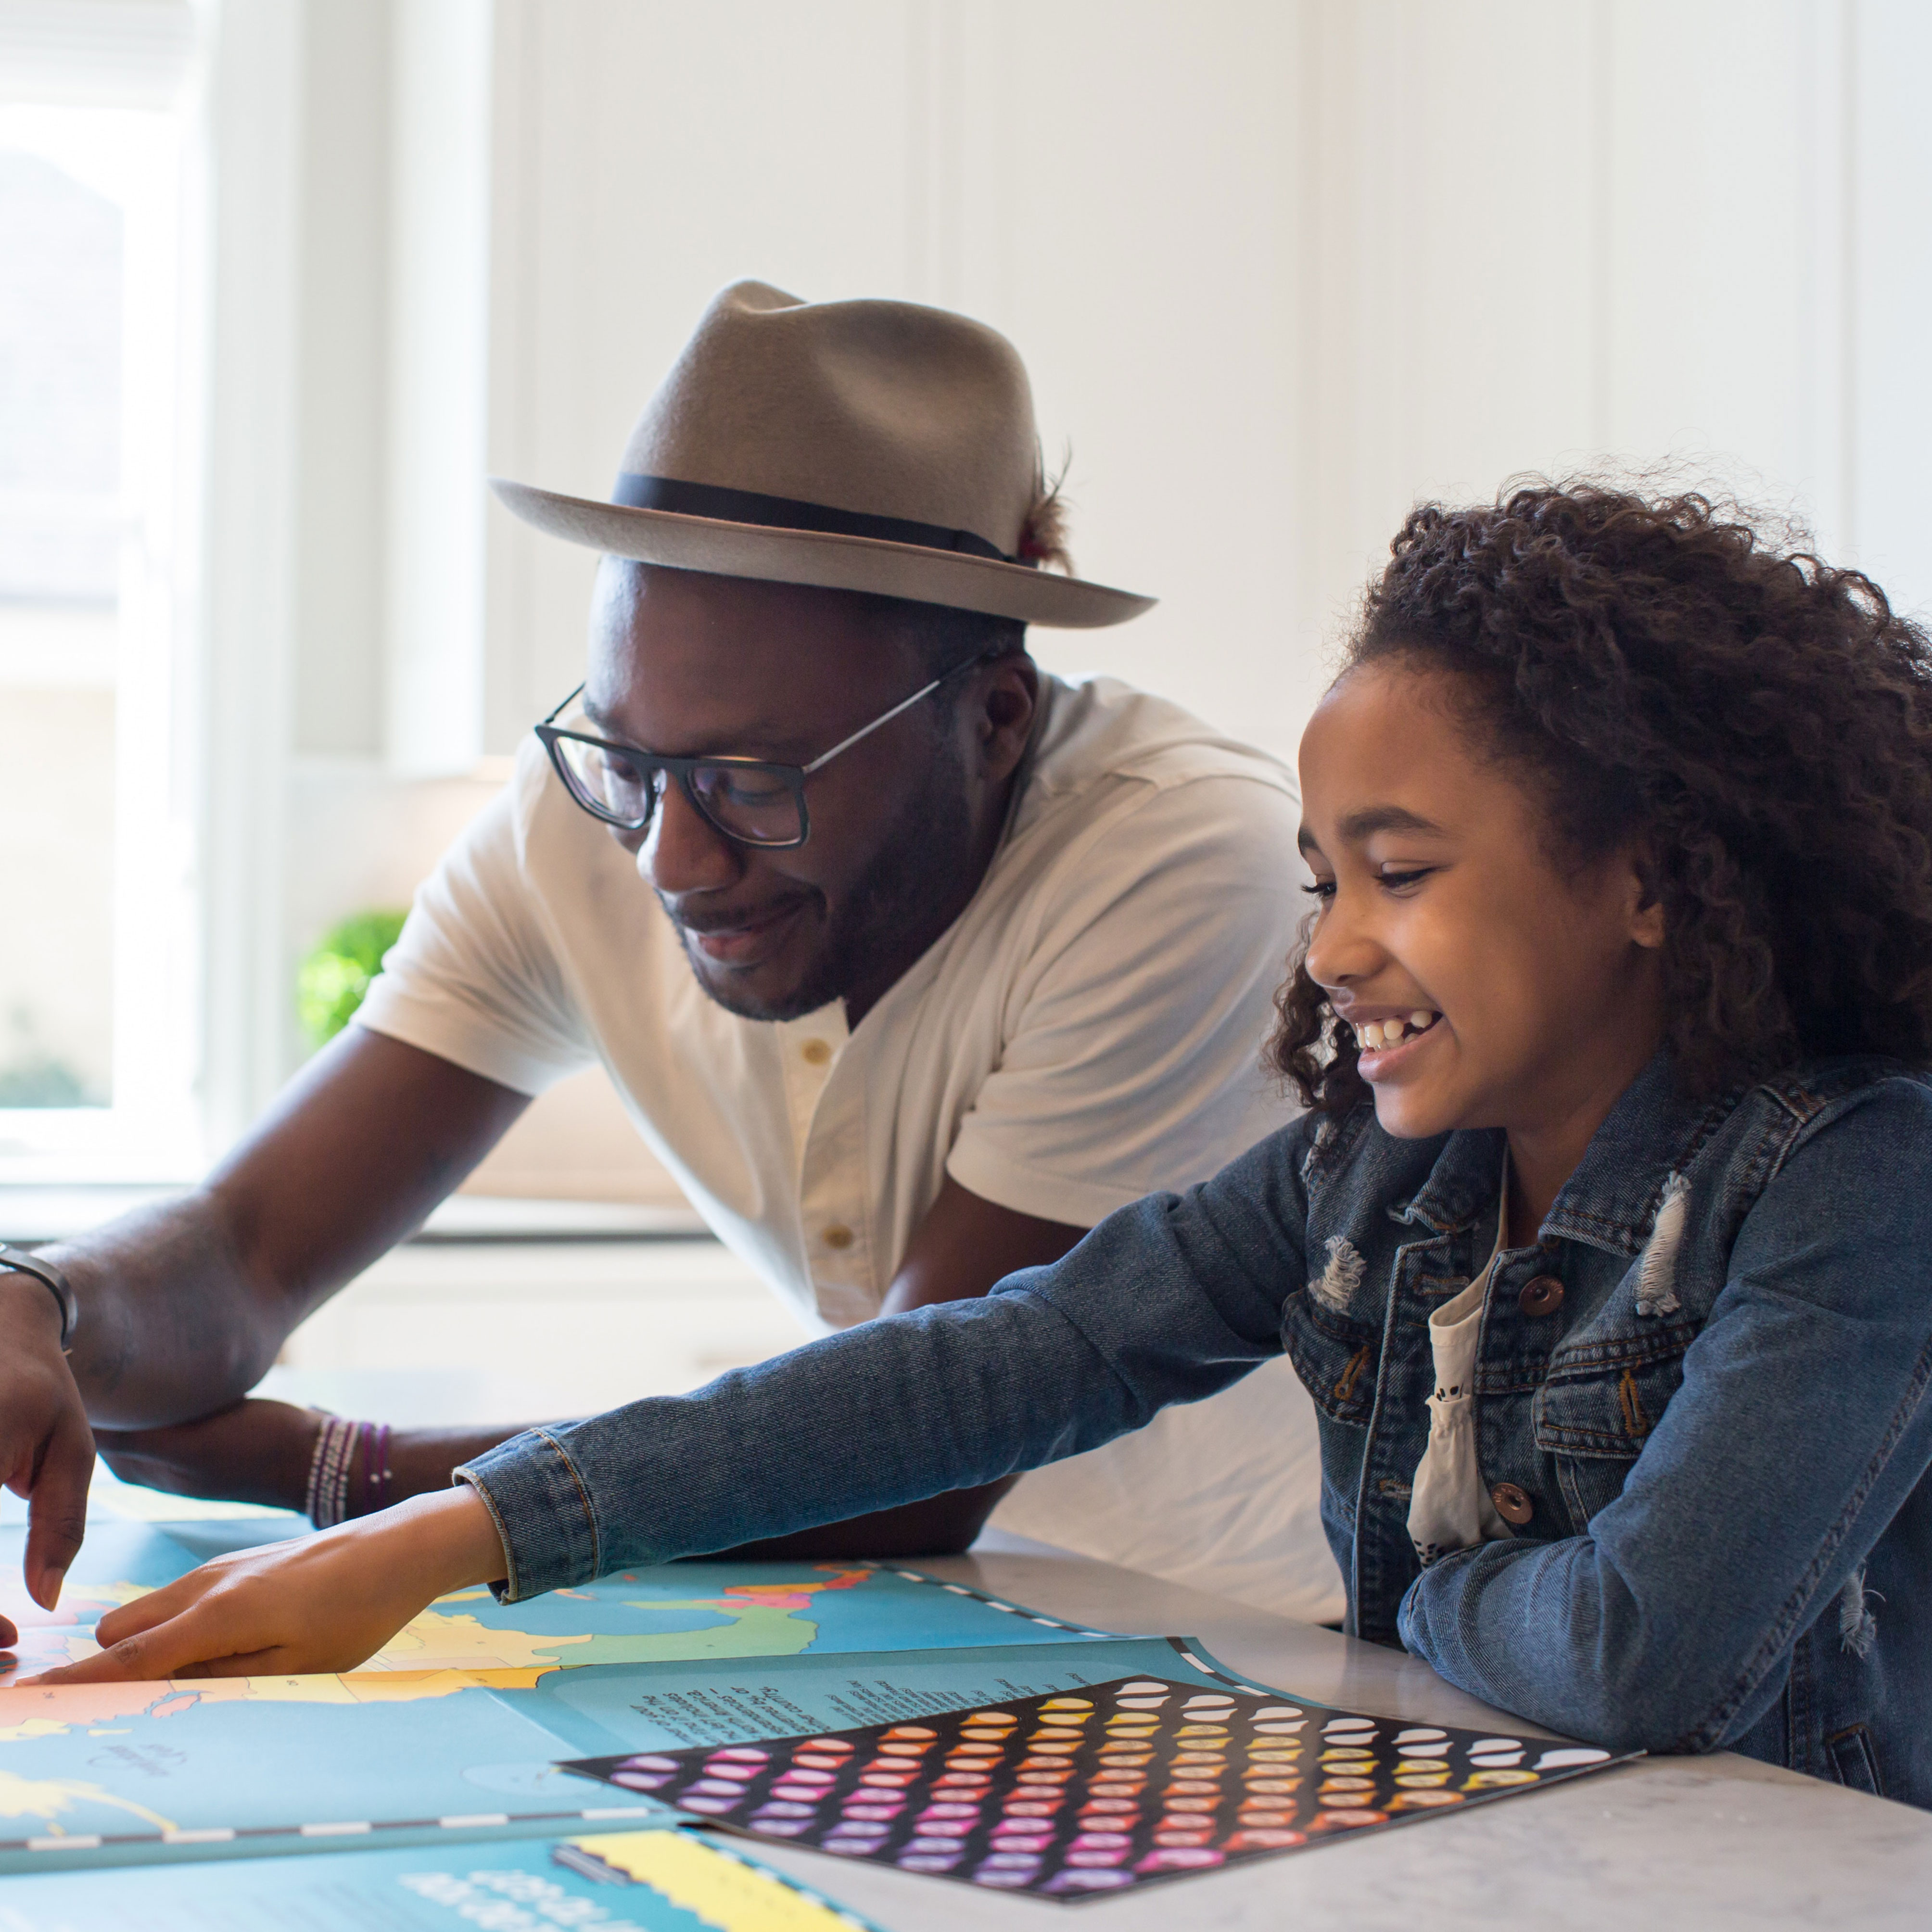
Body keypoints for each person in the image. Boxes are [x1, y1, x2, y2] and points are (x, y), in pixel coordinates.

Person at [47, 482, 1932, 1809]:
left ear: (1642, 877)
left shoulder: (1852, 1177)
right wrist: (449, 1536)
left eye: (1402, 872)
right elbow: (968, 1370)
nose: (1333, 942)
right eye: (1323, 875)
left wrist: (1429, 1601)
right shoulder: (1360, 1178)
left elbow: (1634, 1652)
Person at [0, 280, 1336, 1624]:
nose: (670, 860)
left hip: (1241, 1632)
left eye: (758, 778)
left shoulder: (1182, 864)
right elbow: (246, 1248)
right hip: (900, 1613)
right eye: (629, 761)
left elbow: (924, 1435)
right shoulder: (578, 824)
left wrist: (341, 1473)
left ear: (992, 717)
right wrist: (43, 1306)